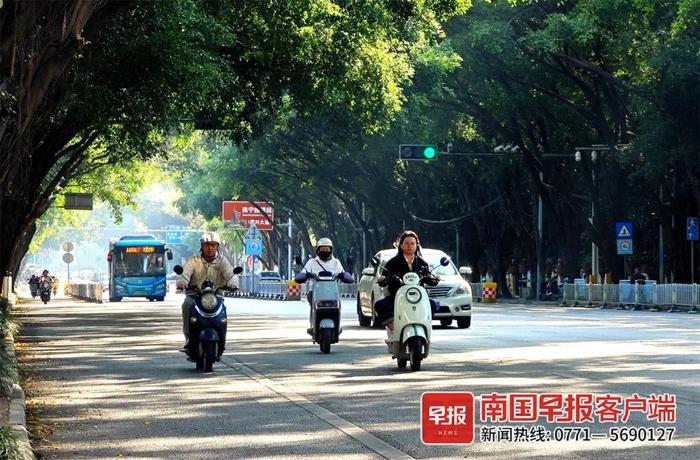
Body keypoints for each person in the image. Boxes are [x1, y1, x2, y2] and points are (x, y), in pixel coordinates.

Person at [176, 231, 239, 352]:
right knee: (186, 305)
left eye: (213, 245)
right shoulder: (194, 260)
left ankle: (222, 337)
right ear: (202, 246)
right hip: (195, 296)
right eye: (207, 245)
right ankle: (188, 338)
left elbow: (230, 274)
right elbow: (185, 273)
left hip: (216, 297)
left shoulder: (222, 261)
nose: (210, 248)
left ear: (217, 247)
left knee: (223, 311)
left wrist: (233, 284)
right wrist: (182, 282)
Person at [374, 230, 439, 330]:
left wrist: (434, 279)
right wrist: (382, 280)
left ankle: (426, 327)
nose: (410, 246)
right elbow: (384, 278)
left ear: (417, 245)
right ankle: (393, 328)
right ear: (401, 245)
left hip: (418, 297)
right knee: (379, 305)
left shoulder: (422, 263)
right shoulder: (392, 263)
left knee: (433, 305)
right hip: (397, 297)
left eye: (413, 243)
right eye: (407, 243)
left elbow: (428, 278)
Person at [294, 238, 345, 332]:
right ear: (318, 250)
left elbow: (343, 273)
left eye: (327, 249)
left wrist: (344, 275)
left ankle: (337, 325)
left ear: (331, 250)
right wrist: (305, 275)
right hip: (315, 292)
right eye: (322, 249)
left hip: (332, 292)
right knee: (313, 301)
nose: (324, 251)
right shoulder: (311, 262)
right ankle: (313, 324)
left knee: (338, 305)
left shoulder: (336, 262)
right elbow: (302, 274)